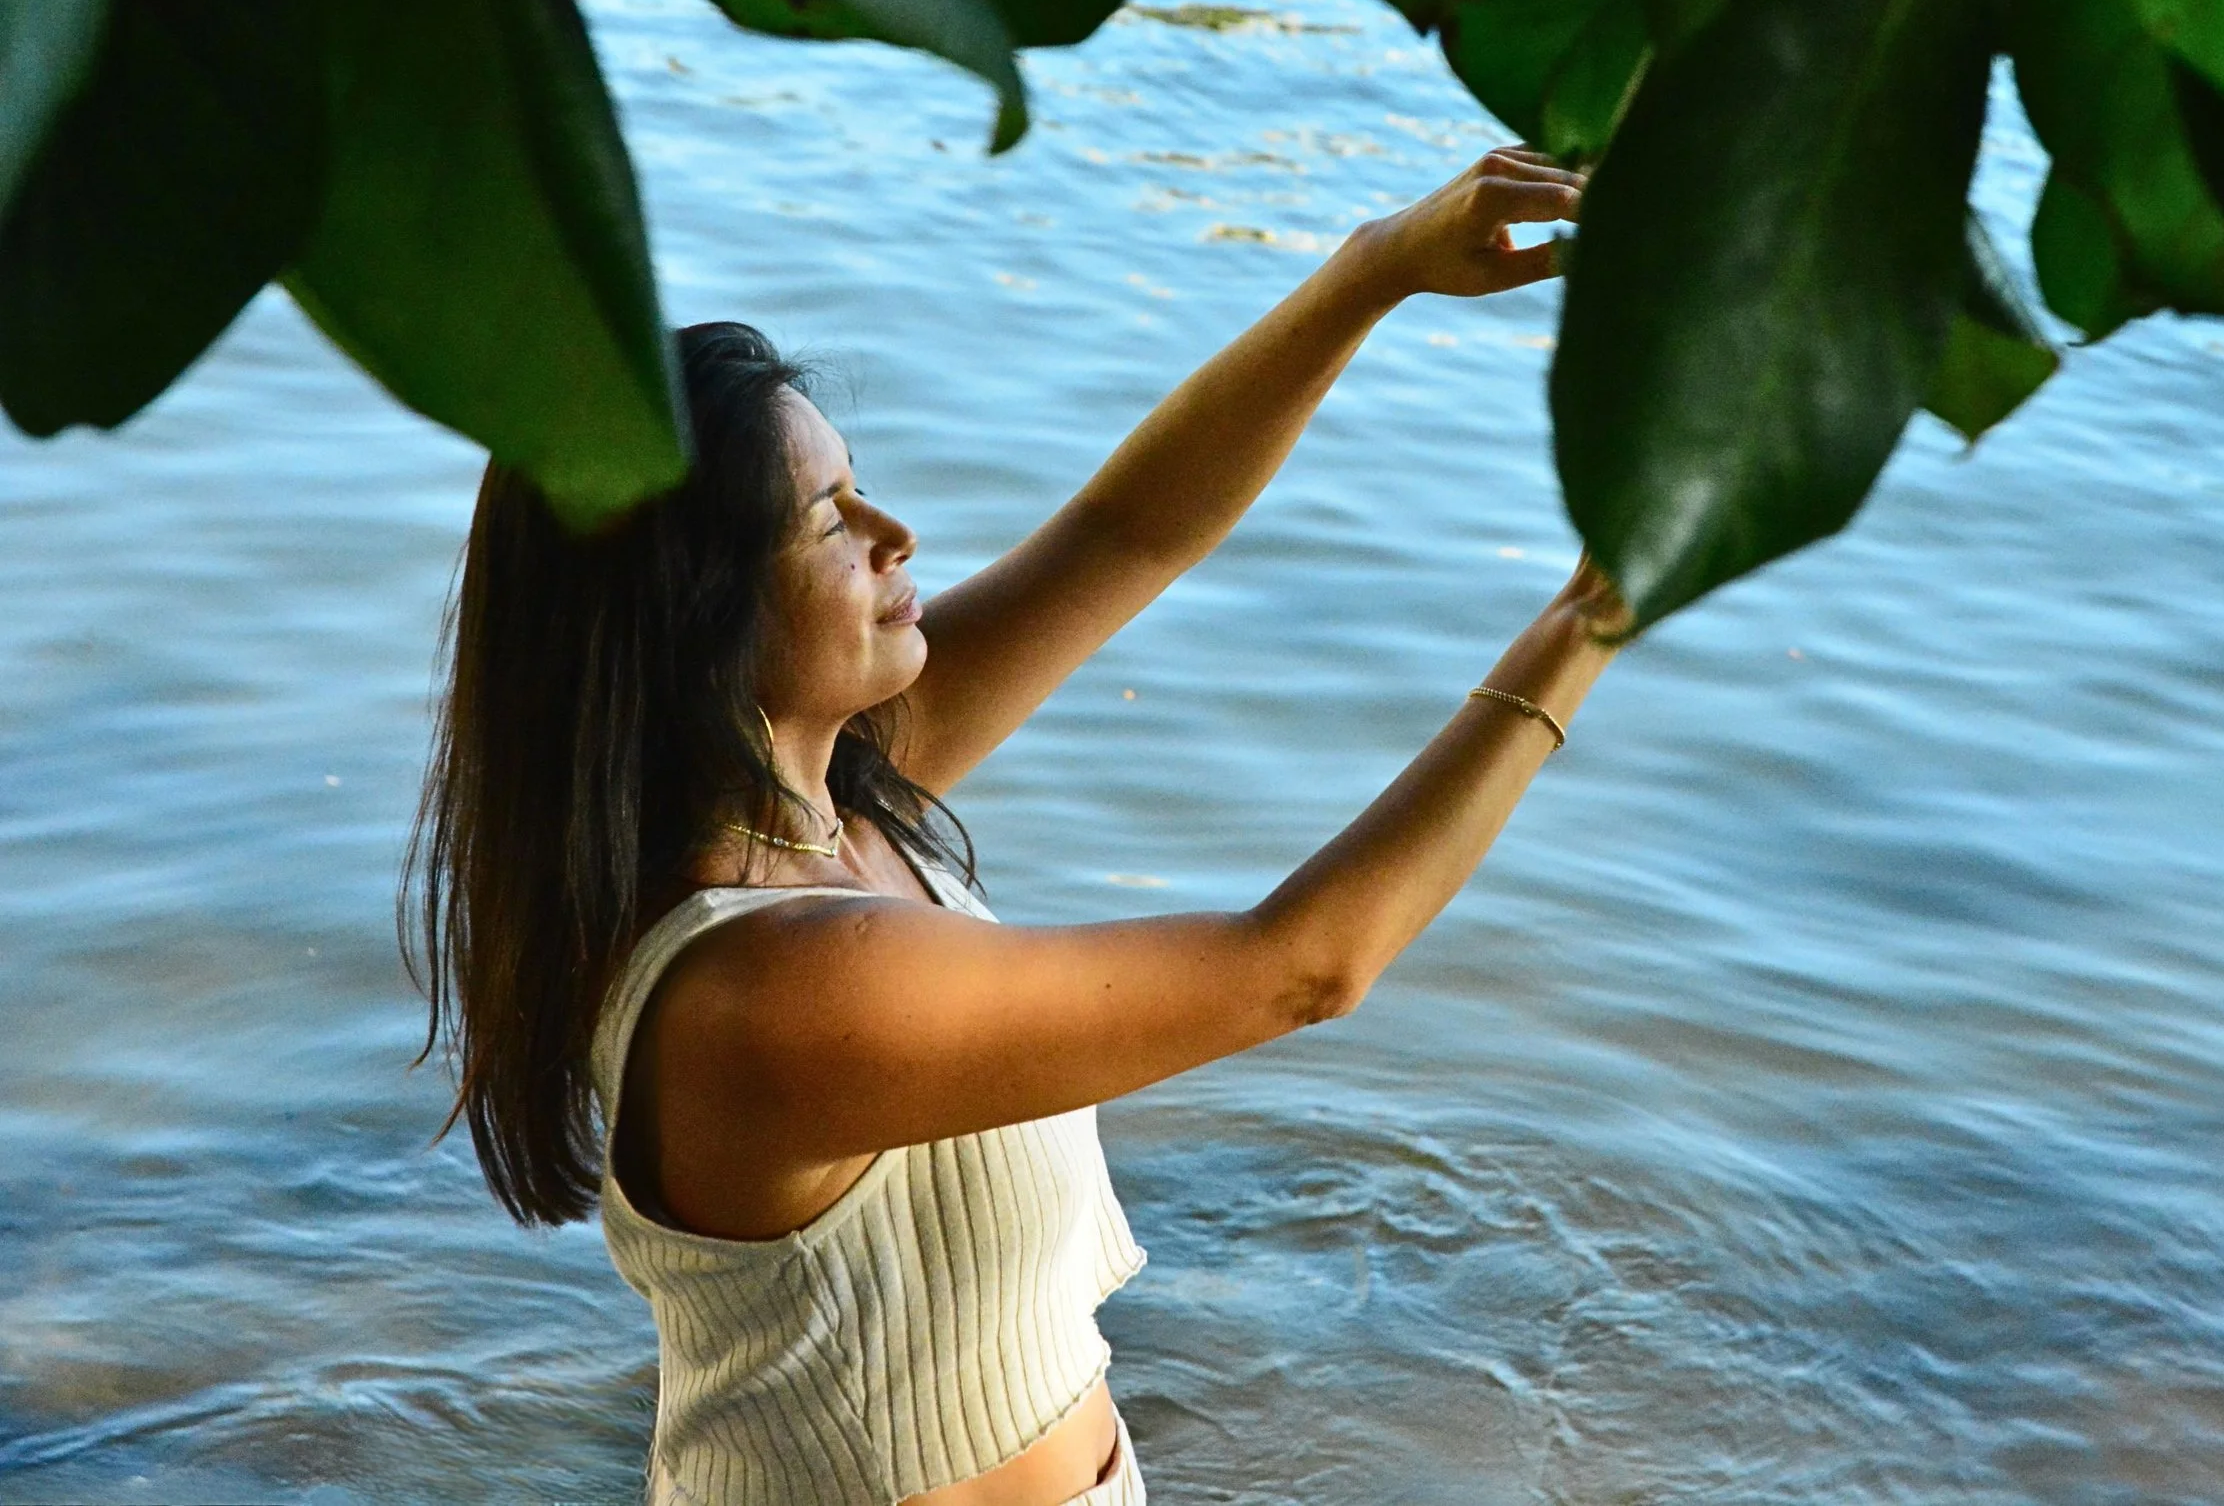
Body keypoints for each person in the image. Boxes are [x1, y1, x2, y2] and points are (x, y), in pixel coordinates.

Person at [403, 148, 1625, 1506]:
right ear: (696, 620)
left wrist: (1375, 270)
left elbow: (1128, 535)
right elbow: (1306, 962)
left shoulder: (827, 797)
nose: (895, 531)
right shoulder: (773, 989)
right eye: (828, 520)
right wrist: (1591, 619)